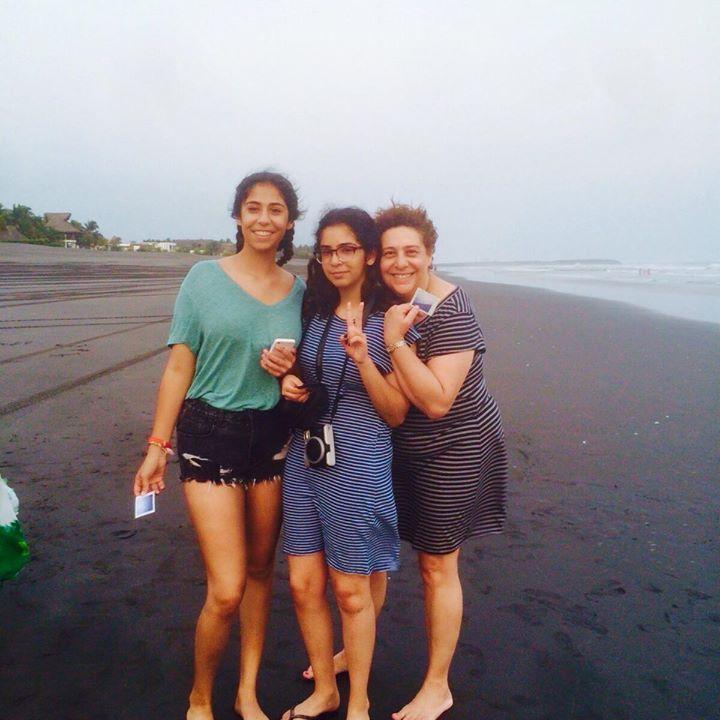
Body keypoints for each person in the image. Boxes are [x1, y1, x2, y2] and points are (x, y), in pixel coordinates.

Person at [133, 171, 304, 720]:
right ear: (237, 216)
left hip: (272, 437)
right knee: (227, 588)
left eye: (275, 209)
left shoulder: (299, 292)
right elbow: (179, 366)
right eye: (253, 207)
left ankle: (246, 692)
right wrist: (157, 445)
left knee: (261, 572)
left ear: (289, 222)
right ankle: (200, 697)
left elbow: (306, 372)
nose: (263, 218)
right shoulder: (203, 278)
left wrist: (289, 372)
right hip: (210, 434)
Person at [280, 208, 413, 720]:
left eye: (347, 249)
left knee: (351, 593)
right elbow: (310, 382)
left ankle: (358, 702)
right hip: (306, 460)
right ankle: (325, 690)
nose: (335, 260)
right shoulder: (313, 314)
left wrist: (362, 357)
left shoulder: (390, 321)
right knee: (302, 585)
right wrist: (288, 380)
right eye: (327, 251)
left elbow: (396, 412)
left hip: (359, 464)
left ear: (369, 255)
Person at [377, 202, 508, 720]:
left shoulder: (451, 309)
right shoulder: (388, 298)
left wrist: (394, 343)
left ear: (430, 253)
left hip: (456, 446)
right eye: (389, 253)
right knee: (377, 553)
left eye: (411, 251)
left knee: (436, 563)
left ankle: (438, 686)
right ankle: (357, 646)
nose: (400, 262)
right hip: (400, 446)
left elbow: (435, 401)